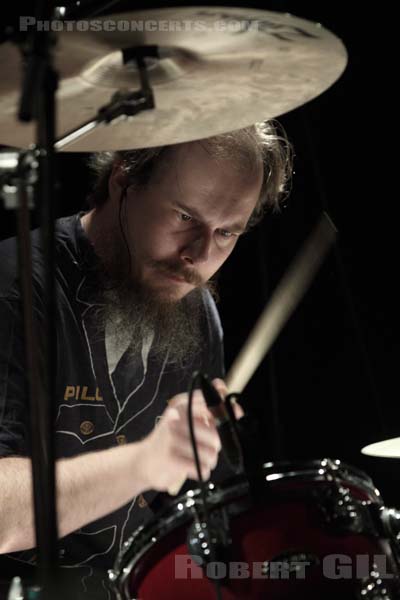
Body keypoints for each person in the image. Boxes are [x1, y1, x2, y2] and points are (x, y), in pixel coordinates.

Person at [0, 121, 291, 598]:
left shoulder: (196, 314)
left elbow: (208, 520)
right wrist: (146, 462)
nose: (199, 256)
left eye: (226, 233)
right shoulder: (16, 289)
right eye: (184, 217)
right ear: (123, 179)